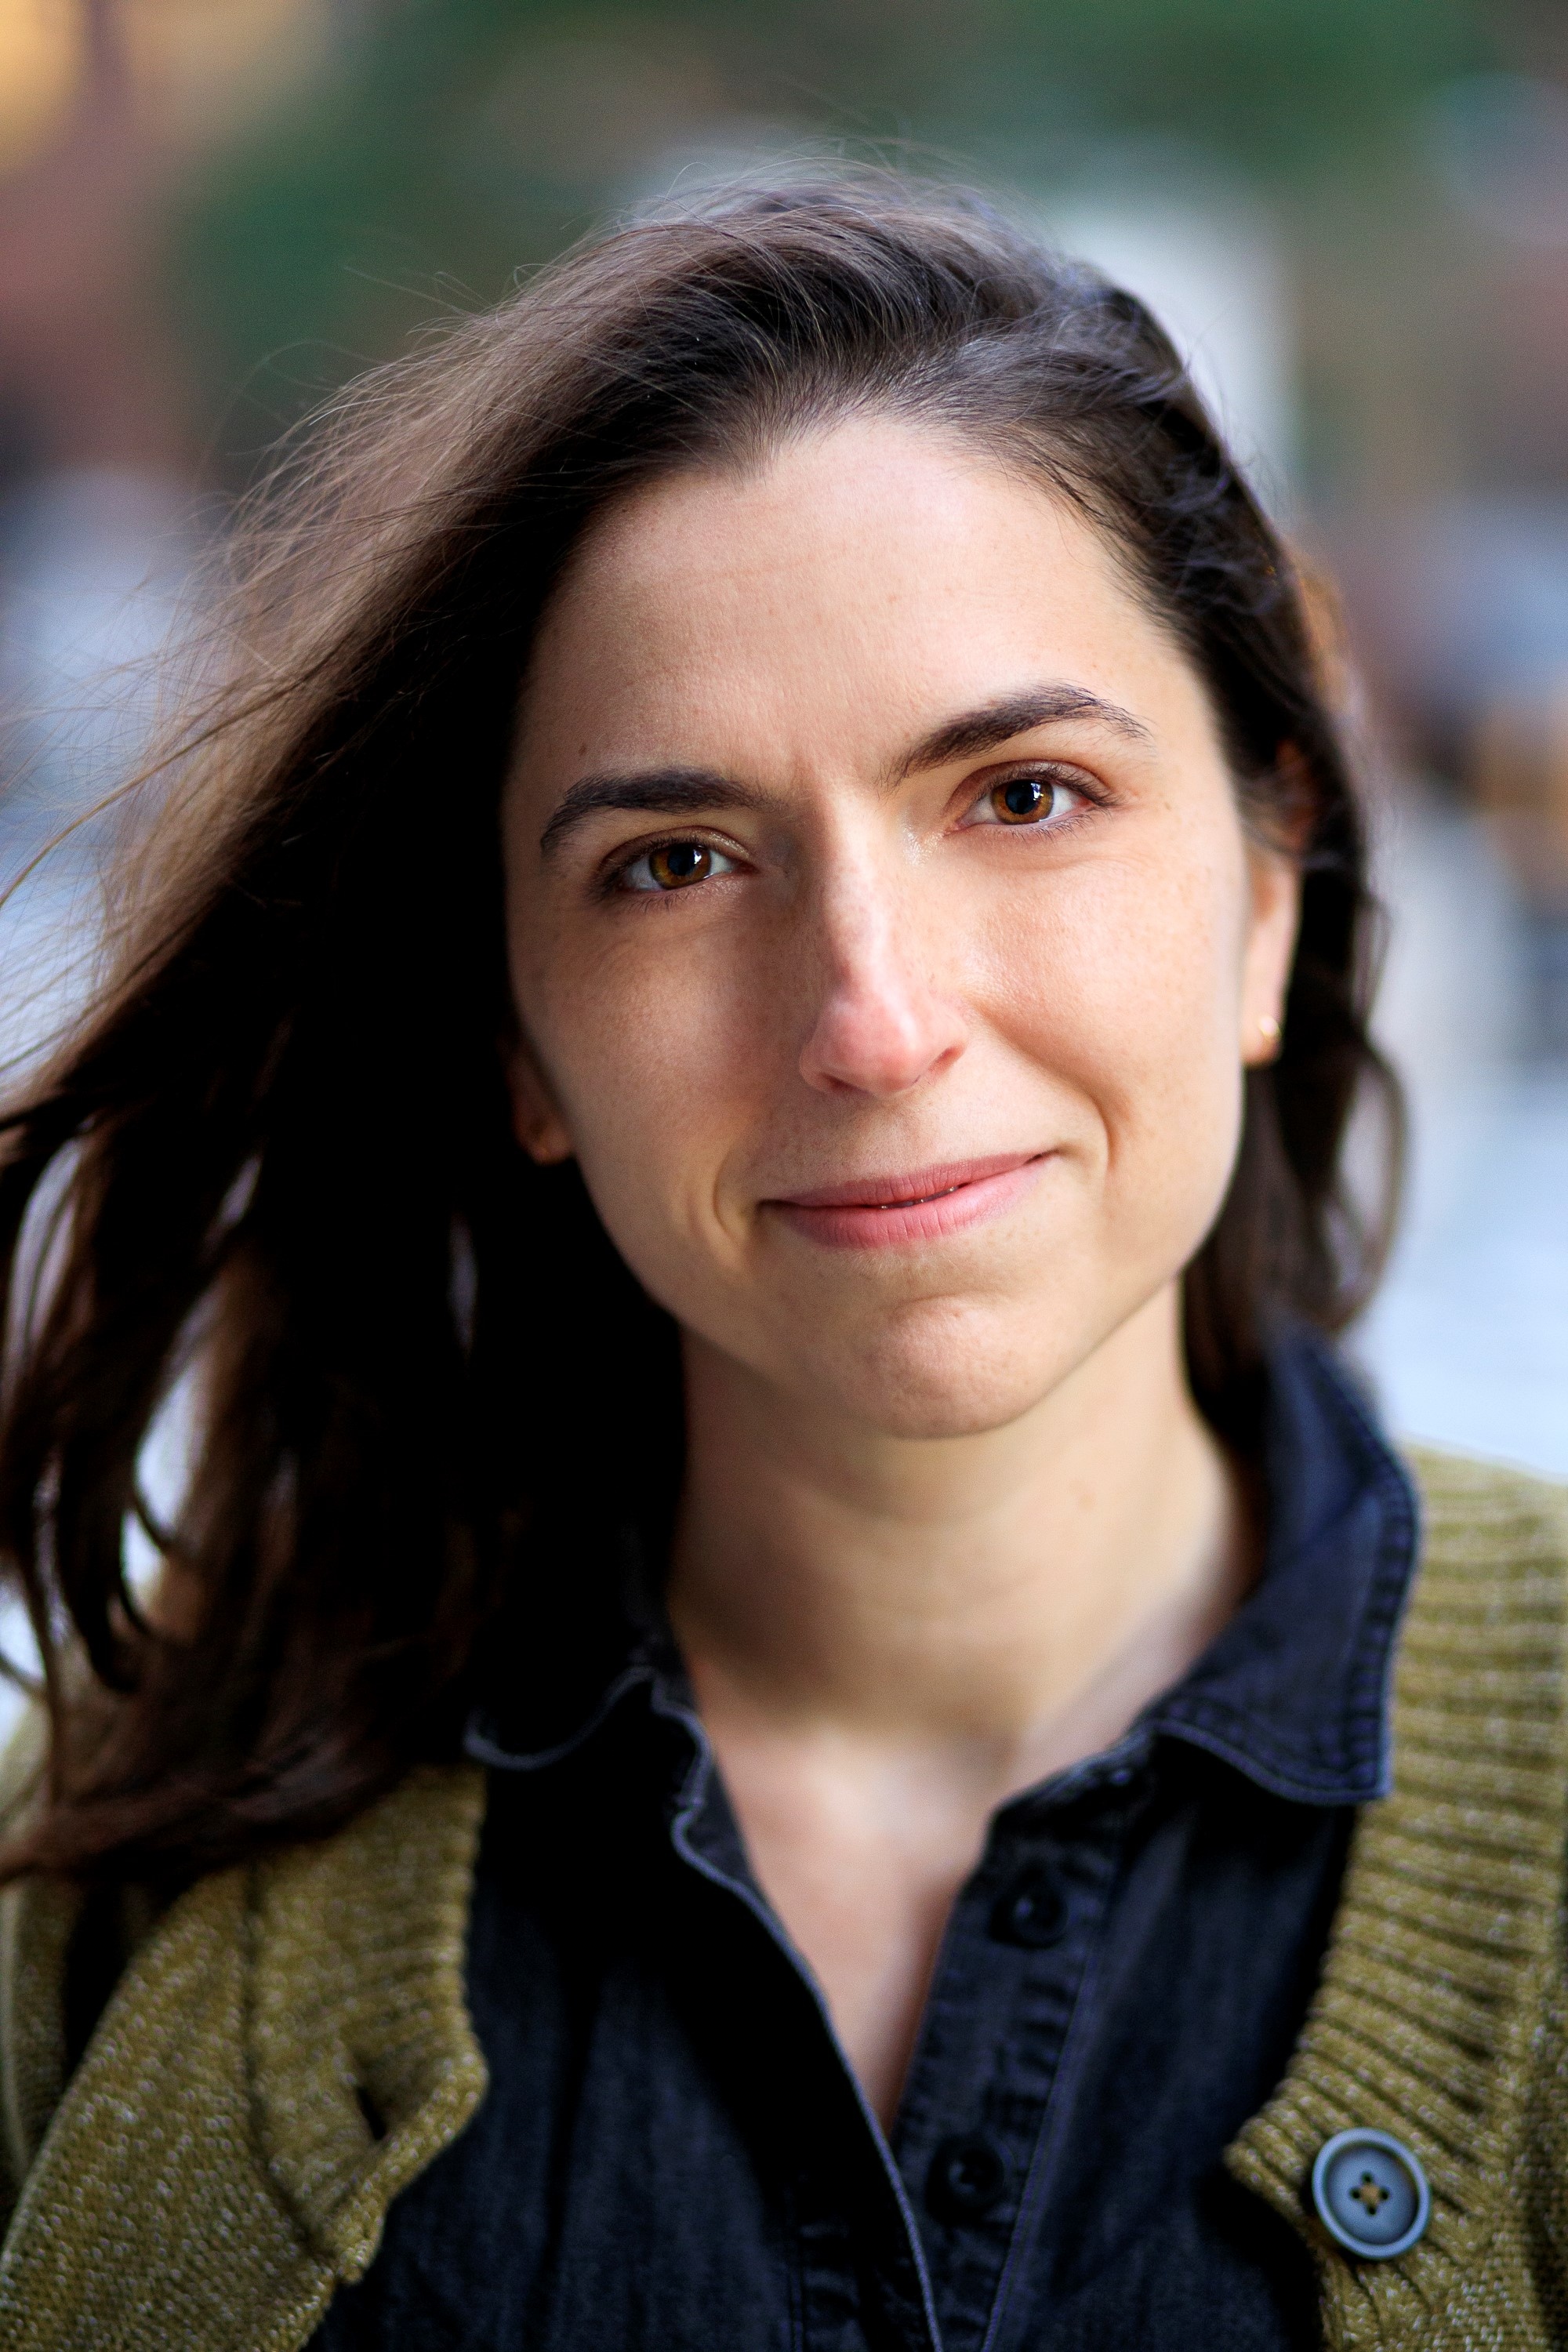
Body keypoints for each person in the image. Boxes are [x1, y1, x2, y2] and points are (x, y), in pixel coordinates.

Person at [0, 180, 1563, 2352]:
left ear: (1272, 892)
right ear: (517, 1043)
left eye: (1021, 796)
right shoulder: (98, 1882)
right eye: (674, 864)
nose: (871, 1018)